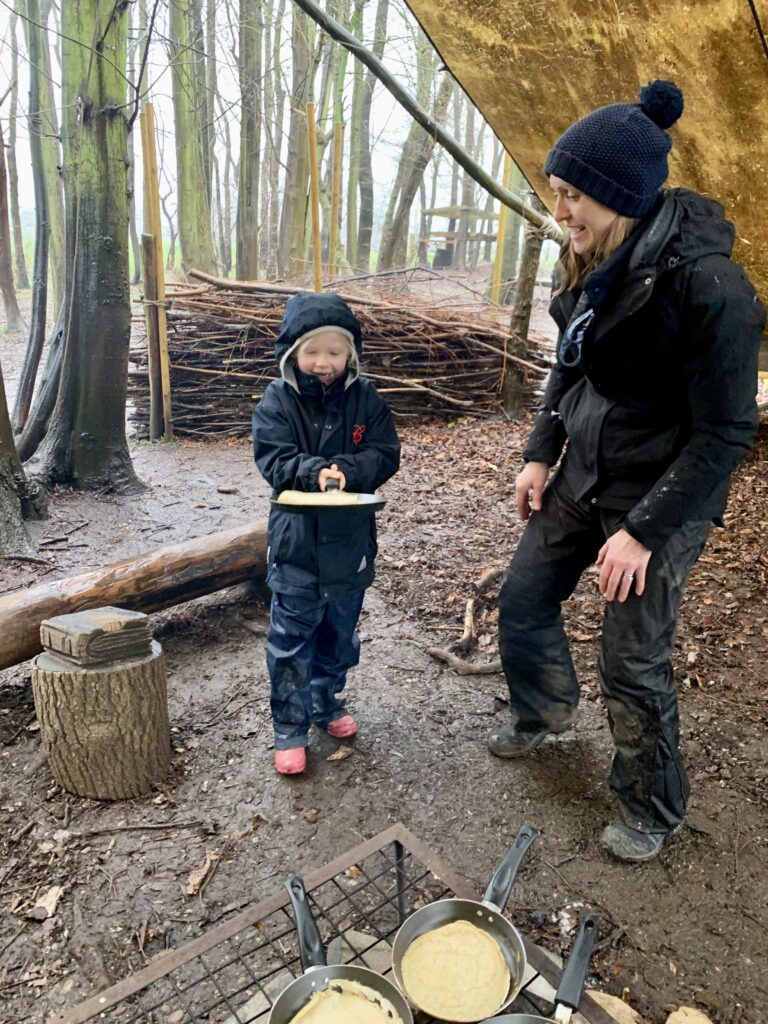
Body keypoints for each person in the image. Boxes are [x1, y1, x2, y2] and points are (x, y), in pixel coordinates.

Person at [489, 81, 764, 861]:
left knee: (631, 658)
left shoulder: (712, 290)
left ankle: (650, 805)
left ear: (621, 196)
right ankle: (543, 714)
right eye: (557, 193)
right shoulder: (587, 260)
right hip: (587, 469)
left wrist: (643, 533)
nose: (560, 211)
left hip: (665, 491)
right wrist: (542, 449)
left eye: (574, 195)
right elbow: (569, 364)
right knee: (524, 596)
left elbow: (726, 433)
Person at [252, 291, 400, 775]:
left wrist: (349, 470)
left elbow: (385, 452)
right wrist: (314, 470)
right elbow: (272, 456)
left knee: (340, 633)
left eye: (335, 352)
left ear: (351, 355)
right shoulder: (278, 400)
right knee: (292, 638)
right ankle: (289, 726)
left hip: (349, 548)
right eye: (312, 351)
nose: (323, 363)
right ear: (293, 354)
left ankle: (325, 701)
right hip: (296, 546)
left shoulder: (366, 398)